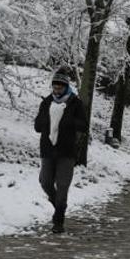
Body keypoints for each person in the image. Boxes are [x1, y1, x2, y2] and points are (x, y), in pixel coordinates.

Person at [34, 69, 86, 233]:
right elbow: (37, 126)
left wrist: (68, 121)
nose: (56, 90)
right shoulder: (47, 102)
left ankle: (58, 220)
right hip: (48, 149)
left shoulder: (75, 103)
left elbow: (84, 125)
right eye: (54, 87)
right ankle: (59, 204)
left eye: (60, 87)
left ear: (66, 87)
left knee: (63, 185)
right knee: (45, 181)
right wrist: (46, 121)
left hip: (66, 151)